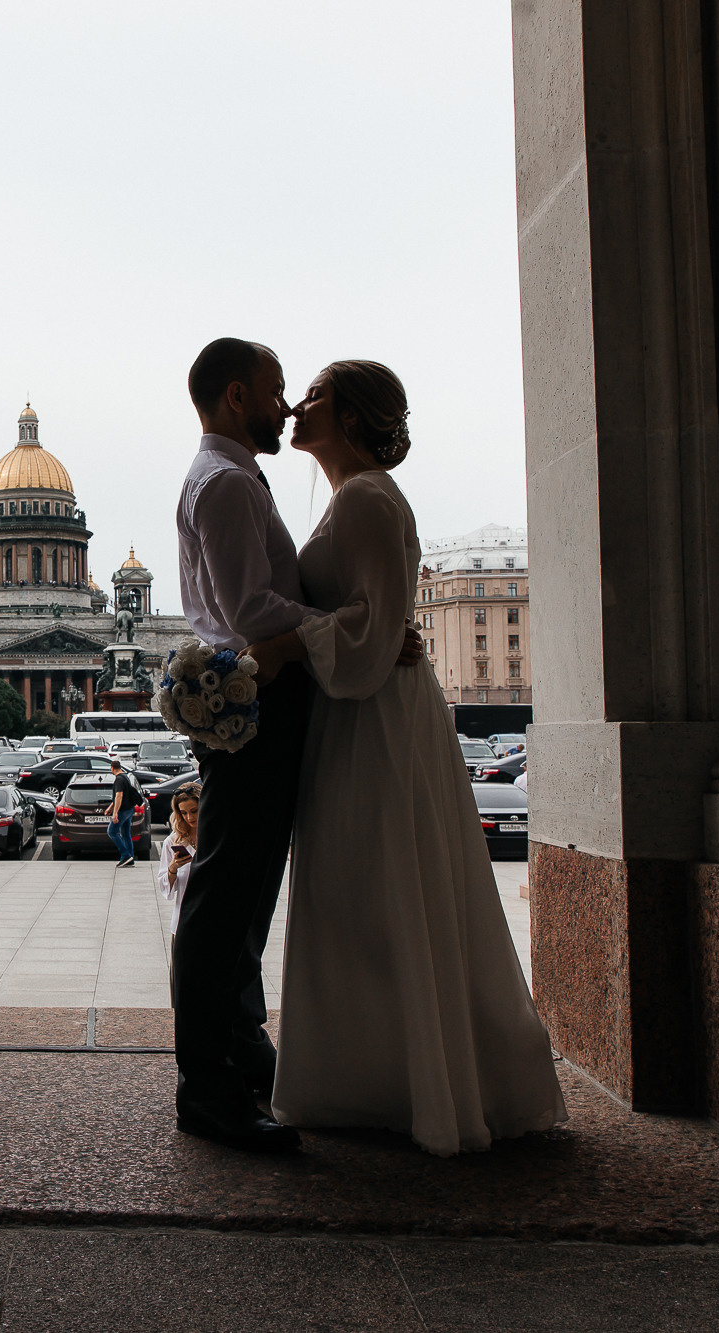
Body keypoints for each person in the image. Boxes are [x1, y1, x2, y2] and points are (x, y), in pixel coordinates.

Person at [245, 360, 567, 1157]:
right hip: (371, 708)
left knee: (373, 889)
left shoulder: (364, 497)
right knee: (384, 891)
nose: (297, 406)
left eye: (315, 396)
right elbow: (379, 621)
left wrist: (283, 645)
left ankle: (387, 1083)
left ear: (352, 418)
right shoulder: (360, 495)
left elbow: (372, 630)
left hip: (371, 717)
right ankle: (403, 1076)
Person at [171, 338, 425, 1154]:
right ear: (237, 396)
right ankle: (208, 1086)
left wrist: (359, 628)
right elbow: (252, 612)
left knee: (245, 897)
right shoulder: (226, 482)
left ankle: (240, 1051)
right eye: (276, 389)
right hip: (256, 702)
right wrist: (353, 628)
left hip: (262, 701)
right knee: (226, 897)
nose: (285, 406)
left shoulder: (234, 477)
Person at [155, 783, 201, 940]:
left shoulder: (216, 838)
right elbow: (165, 888)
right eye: (183, 813)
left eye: (194, 811)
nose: (189, 818)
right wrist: (173, 868)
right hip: (183, 923)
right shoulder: (173, 842)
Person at [105, 759, 142, 867]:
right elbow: (122, 795)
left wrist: (115, 813)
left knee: (111, 831)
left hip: (122, 810)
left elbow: (119, 796)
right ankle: (130, 858)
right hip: (129, 809)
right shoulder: (126, 777)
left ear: (112, 768)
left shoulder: (118, 780)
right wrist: (110, 807)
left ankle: (125, 855)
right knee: (125, 834)